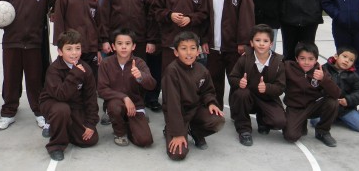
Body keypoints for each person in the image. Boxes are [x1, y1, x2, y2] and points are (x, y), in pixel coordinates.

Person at [0, 0, 62, 132]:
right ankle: (8, 112)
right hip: (11, 44)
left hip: (35, 44)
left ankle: (39, 111)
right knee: (11, 79)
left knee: (35, 80)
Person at [201, 0, 255, 105]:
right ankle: (215, 109)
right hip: (213, 46)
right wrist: (204, 39)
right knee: (214, 81)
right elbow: (203, 17)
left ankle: (238, 114)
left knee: (236, 81)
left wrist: (243, 42)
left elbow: (246, 19)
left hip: (233, 47)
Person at [162, 31, 225, 160]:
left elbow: (208, 91)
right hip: (177, 114)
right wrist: (178, 133)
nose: (189, 53)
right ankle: (172, 129)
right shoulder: (172, 71)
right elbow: (172, 104)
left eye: (192, 48)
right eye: (184, 49)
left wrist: (211, 103)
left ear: (198, 51)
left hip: (195, 110)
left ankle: (194, 131)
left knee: (218, 120)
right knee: (178, 154)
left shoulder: (202, 70)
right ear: (176, 52)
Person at [39, 30, 99, 162]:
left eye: (77, 48)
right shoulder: (54, 69)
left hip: (75, 105)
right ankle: (56, 146)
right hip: (53, 103)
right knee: (62, 110)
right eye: (69, 49)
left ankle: (63, 128)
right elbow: (61, 95)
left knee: (90, 140)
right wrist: (75, 74)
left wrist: (90, 124)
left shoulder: (86, 69)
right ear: (60, 52)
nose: (74, 53)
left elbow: (91, 98)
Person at [228, 24, 286, 146]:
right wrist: (239, 82)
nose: (261, 44)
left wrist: (267, 87)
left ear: (271, 44)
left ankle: (263, 120)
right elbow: (232, 77)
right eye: (257, 40)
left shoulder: (278, 62)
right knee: (241, 94)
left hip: (267, 99)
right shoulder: (244, 59)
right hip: (248, 97)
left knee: (279, 122)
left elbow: (281, 87)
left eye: (265, 41)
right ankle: (244, 130)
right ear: (251, 43)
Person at [97, 29, 155, 147]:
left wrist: (141, 77)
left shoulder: (139, 63)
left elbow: (152, 85)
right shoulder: (106, 63)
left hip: (136, 106)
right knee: (114, 106)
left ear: (133, 46)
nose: (124, 47)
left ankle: (128, 124)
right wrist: (124, 97)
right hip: (117, 104)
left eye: (127, 44)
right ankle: (119, 132)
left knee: (145, 141)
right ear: (113, 46)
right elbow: (102, 90)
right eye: (119, 43)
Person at [151, 0, 207, 73]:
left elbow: (203, 13)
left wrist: (190, 18)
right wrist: (169, 15)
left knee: (190, 76)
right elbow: (156, 11)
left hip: (190, 44)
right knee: (170, 75)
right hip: (170, 42)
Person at [134, 0, 168, 111]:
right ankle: (138, 95)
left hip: (157, 18)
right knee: (139, 59)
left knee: (156, 59)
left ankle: (153, 97)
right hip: (137, 16)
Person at [283, 42, 341, 147]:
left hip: (314, 105)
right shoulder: (288, 67)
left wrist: (323, 79)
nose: (306, 62)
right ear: (296, 59)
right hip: (295, 108)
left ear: (316, 60)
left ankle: (322, 131)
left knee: (333, 102)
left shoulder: (321, 71)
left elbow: (336, 93)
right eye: (302, 58)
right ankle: (301, 123)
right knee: (290, 136)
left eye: (311, 59)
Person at [53, 0, 104, 79]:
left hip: (91, 49)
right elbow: (59, 22)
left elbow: (98, 24)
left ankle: (90, 97)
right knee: (75, 79)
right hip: (73, 49)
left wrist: (98, 48)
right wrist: (60, 45)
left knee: (91, 79)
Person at [312, 47, 359, 132]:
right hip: (327, 106)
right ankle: (336, 118)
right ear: (336, 56)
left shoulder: (353, 75)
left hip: (345, 109)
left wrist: (348, 100)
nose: (347, 61)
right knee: (315, 121)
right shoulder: (324, 70)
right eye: (344, 56)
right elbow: (315, 88)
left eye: (351, 60)